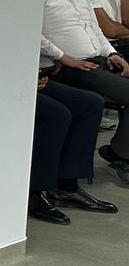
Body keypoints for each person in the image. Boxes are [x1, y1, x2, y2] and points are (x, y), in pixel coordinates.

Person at [42, 0, 129, 186]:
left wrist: (111, 53)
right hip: (71, 66)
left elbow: (96, 30)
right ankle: (121, 156)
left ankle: (120, 152)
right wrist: (62, 56)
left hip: (98, 60)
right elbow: (33, 33)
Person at [30, 68, 110, 223]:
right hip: (5, 77)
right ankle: (34, 192)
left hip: (36, 73)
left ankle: (66, 187)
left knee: (91, 103)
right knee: (57, 114)